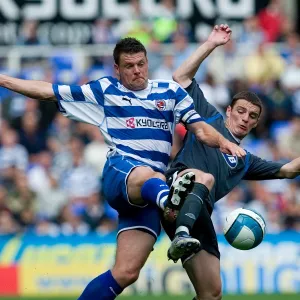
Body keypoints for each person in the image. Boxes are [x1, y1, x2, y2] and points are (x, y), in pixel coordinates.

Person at [0, 37, 245, 299]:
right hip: (123, 174)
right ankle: (170, 203)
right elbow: (48, 90)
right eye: (129, 66)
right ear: (117, 69)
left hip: (149, 194)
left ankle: (167, 201)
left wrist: (223, 143)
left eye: (141, 64)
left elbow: (200, 129)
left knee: (126, 272)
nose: (137, 70)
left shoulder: (170, 93)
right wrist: (4, 79)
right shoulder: (106, 90)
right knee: (149, 174)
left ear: (148, 63)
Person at [162, 24, 300, 300]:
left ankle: (184, 233)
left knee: (212, 294)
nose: (245, 118)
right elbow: (180, 77)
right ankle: (180, 232)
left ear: (256, 122)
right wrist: (211, 44)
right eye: (240, 111)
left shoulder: (246, 161)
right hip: (177, 191)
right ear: (229, 110)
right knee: (205, 178)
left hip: (199, 214)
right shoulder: (209, 117)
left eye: (252, 116)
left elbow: (288, 170)